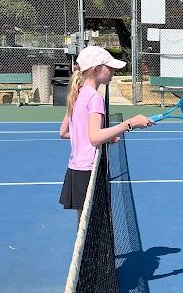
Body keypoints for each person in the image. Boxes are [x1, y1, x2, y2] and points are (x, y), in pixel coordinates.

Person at [59, 45, 154, 224]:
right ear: (96, 70)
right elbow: (94, 137)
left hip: (76, 170)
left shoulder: (78, 93)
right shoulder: (95, 98)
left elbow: (64, 132)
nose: (113, 72)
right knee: (93, 227)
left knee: (84, 228)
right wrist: (130, 124)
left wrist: (107, 137)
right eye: (109, 67)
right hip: (89, 171)